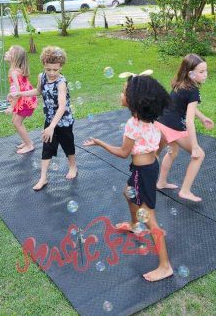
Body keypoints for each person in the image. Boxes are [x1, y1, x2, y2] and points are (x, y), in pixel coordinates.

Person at [83, 74, 173, 282]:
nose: (121, 94)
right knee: (127, 192)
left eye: (124, 92)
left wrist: (100, 143)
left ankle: (165, 266)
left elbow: (123, 152)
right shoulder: (150, 119)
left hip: (143, 172)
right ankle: (135, 226)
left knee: (150, 219)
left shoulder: (132, 124)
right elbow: (165, 139)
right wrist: (155, 154)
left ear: (134, 100)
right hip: (148, 168)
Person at [10, 46, 77, 191]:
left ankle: (73, 167)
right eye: (48, 69)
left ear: (61, 66)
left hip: (63, 121)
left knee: (68, 145)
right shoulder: (42, 77)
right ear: (44, 66)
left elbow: (61, 107)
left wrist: (52, 126)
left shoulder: (61, 83)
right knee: (47, 147)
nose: (52, 73)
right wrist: (21, 94)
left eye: (55, 70)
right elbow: (38, 91)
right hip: (50, 120)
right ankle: (43, 178)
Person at [155, 54, 214, 202]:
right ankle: (185, 191)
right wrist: (194, 146)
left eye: (206, 70)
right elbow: (189, 120)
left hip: (161, 122)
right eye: (201, 72)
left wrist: (202, 117)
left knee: (173, 151)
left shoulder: (179, 83)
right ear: (191, 73)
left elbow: (184, 106)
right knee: (199, 155)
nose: (205, 74)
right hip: (173, 126)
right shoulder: (193, 90)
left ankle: (161, 182)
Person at [4, 45, 38, 154]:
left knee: (17, 122)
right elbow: (18, 89)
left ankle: (29, 145)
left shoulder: (14, 72)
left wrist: (11, 107)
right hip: (26, 99)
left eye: (9, 52)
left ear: (15, 58)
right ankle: (26, 141)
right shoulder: (17, 70)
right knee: (15, 121)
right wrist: (11, 94)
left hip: (25, 102)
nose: (6, 53)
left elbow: (17, 93)